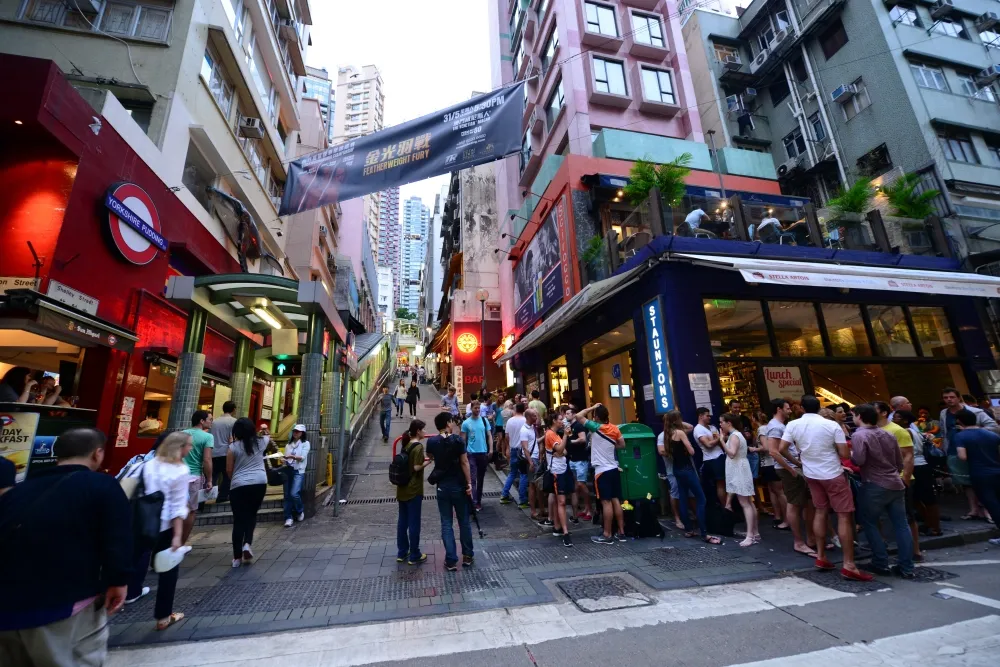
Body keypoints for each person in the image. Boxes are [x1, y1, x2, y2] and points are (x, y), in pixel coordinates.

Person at [0, 428, 131, 664]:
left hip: (7, 609)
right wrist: (119, 580)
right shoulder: (101, 486)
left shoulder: (19, 491)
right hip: (65, 605)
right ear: (97, 454)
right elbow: (118, 538)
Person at [781, 395, 872, 581]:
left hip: (811, 474)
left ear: (803, 408)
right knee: (844, 515)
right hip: (833, 473)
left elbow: (782, 448)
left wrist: (799, 461)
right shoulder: (831, 426)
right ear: (818, 406)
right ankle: (849, 564)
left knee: (820, 511)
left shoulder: (793, 425)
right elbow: (845, 453)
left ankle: (821, 556)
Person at [850, 405, 915, 578]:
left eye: (854, 415)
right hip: (895, 481)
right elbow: (899, 462)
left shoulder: (859, 435)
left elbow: (859, 460)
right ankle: (906, 566)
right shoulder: (888, 433)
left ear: (860, 416)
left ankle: (880, 562)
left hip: (873, 482)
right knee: (901, 525)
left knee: (869, 523)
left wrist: (851, 456)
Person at [141, 431, 196, 629]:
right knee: (168, 571)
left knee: (136, 561)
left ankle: (122, 596)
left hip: (142, 522)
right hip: (165, 526)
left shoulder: (148, 464)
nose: (190, 449)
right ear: (179, 448)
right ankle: (163, 616)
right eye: (188, 445)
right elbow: (177, 507)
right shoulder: (180, 470)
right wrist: (178, 537)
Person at [660, 411, 720, 544]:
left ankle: (688, 529)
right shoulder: (680, 433)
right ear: (677, 420)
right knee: (701, 499)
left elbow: (690, 427)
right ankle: (704, 532)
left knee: (682, 498)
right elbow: (692, 451)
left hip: (676, 469)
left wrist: (674, 421)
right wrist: (688, 447)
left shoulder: (666, 435)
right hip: (687, 468)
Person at [939, 387, 999, 520]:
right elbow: (944, 432)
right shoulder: (944, 413)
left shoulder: (975, 412)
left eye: (952, 397)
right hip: (954, 450)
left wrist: (972, 429)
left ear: (959, 397)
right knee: (964, 481)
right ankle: (974, 509)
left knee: (979, 481)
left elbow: (994, 427)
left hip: (975, 450)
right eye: (946, 398)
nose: (949, 400)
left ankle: (987, 510)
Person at [767, 398, 817, 556]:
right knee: (794, 504)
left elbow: (783, 451)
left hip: (793, 467)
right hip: (788, 470)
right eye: (787, 408)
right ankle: (799, 542)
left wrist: (797, 464)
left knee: (806, 503)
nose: (790, 411)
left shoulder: (781, 426)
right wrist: (791, 469)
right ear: (779, 409)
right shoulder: (775, 427)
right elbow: (773, 451)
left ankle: (810, 539)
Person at [426, 412, 474, 570]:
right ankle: (467, 556)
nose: (453, 424)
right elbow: (465, 462)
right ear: (447, 423)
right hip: (459, 485)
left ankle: (451, 559)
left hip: (442, 487)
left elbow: (430, 456)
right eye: (452, 422)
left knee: (446, 523)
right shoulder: (458, 440)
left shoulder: (432, 441)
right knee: (464, 521)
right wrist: (469, 483)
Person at [874, 401, 921, 562]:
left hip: (899, 478)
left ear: (884, 412)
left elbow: (908, 455)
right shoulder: (872, 430)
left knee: (907, 517)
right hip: (879, 479)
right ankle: (883, 547)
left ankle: (915, 550)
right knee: (879, 516)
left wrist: (906, 478)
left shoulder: (897, 430)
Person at [576, 403, 627, 545]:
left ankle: (607, 534)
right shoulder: (614, 428)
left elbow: (578, 416)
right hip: (614, 468)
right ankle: (621, 532)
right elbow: (622, 445)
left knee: (606, 502)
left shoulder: (596, 427)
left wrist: (592, 407)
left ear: (597, 417)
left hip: (601, 471)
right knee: (616, 499)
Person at [954, 409, 1000, 545]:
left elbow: (962, 457)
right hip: (997, 470)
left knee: (992, 504)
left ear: (959, 422)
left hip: (979, 473)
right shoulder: (991, 435)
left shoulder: (961, 436)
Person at [227, 417, 268, 568]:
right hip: (259, 483)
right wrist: (264, 430)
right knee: (251, 516)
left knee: (239, 520)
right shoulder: (261, 442)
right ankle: (247, 544)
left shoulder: (233, 447)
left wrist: (236, 480)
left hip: (239, 484)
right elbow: (267, 435)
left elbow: (229, 469)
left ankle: (236, 557)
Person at [895, 409, 942, 537]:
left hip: (916, 466)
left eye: (897, 418)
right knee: (919, 498)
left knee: (924, 498)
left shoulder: (905, 432)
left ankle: (934, 527)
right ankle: (930, 524)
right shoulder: (915, 430)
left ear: (905, 420)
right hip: (921, 465)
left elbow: (905, 453)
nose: (894, 420)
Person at [720, 413, 759, 547]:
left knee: (745, 502)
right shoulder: (736, 435)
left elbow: (731, 453)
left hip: (739, 469)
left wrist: (721, 441)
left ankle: (750, 535)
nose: (720, 425)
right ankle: (755, 532)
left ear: (728, 423)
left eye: (722, 422)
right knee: (748, 501)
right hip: (740, 468)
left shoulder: (735, 436)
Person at [396, 420, 428, 565]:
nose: (425, 432)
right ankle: (415, 554)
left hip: (402, 488)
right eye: (423, 430)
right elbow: (416, 467)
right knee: (414, 522)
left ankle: (402, 552)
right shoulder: (418, 447)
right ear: (418, 432)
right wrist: (429, 462)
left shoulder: (406, 444)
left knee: (402, 521)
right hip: (413, 489)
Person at [182, 410, 214, 542]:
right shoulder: (207, 437)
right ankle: (182, 542)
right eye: (210, 419)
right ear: (202, 421)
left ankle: (171, 539)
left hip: (177, 475)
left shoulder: (182, 434)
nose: (211, 422)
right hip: (193, 476)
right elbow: (207, 459)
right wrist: (209, 479)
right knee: (190, 510)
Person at [756, 409, 787, 530]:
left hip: (769, 463)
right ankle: (778, 516)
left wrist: (754, 449)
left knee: (778, 492)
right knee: (773, 491)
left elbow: (766, 447)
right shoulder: (773, 427)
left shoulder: (762, 429)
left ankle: (785, 518)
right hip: (773, 462)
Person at [546, 414, 574, 547]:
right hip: (557, 472)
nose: (562, 422)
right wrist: (565, 437)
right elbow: (560, 449)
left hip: (562, 470)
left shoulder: (556, 434)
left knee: (560, 500)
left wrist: (562, 450)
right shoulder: (551, 434)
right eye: (560, 419)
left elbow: (565, 451)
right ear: (554, 421)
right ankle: (565, 532)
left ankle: (558, 527)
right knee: (562, 501)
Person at [693, 408, 727, 508]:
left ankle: (728, 507)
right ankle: (726, 508)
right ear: (700, 416)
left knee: (725, 483)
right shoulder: (698, 429)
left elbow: (721, 440)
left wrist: (720, 438)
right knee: (720, 483)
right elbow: (708, 444)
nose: (709, 417)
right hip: (711, 459)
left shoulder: (712, 427)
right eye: (707, 415)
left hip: (721, 455)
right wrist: (719, 438)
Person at [462, 400, 492, 510]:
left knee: (481, 478)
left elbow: (489, 436)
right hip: (471, 454)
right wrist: (463, 454)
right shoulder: (466, 423)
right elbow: (463, 439)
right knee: (473, 478)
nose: (477, 410)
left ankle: (478, 500)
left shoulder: (484, 421)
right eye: (475, 408)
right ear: (471, 409)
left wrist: (491, 449)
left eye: (479, 408)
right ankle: (474, 502)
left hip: (483, 453)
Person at [567, 406, 593, 522]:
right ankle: (584, 509)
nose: (566, 415)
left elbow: (583, 439)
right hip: (573, 459)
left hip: (580, 459)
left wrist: (571, 441)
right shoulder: (571, 427)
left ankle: (590, 509)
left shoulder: (578, 425)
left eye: (568, 413)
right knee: (577, 486)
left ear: (574, 415)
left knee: (582, 484)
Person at [500, 402, 528, 506]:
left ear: (515, 410)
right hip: (522, 450)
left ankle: (504, 495)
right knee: (523, 474)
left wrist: (508, 446)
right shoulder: (525, 420)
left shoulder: (510, 421)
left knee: (512, 472)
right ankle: (523, 500)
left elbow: (506, 436)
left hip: (513, 449)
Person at [282, 425, 310, 527]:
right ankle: (288, 517)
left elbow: (302, 458)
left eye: (298, 432)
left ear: (302, 433)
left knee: (294, 493)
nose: (295, 433)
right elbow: (285, 459)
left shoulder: (305, 444)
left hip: (298, 471)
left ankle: (299, 510)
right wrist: (284, 460)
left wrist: (292, 457)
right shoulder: (288, 445)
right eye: (294, 431)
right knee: (287, 495)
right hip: (288, 470)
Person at [210, 401, 237, 503]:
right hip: (226, 453)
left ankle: (203, 498)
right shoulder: (233, 421)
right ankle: (222, 496)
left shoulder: (214, 422)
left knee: (213, 476)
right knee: (227, 475)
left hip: (213, 452)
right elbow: (232, 439)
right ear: (233, 409)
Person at [520, 409, 543, 520]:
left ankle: (541, 510)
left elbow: (534, 441)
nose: (536, 417)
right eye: (534, 416)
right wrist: (530, 462)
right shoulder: (524, 430)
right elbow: (525, 447)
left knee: (536, 485)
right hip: (532, 460)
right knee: (533, 485)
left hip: (535, 458)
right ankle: (533, 511)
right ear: (529, 417)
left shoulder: (533, 428)